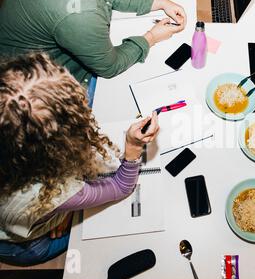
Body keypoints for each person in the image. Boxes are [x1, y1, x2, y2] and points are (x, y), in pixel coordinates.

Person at [0, 53, 159, 266]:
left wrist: (59, 210)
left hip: (16, 218)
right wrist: (133, 147)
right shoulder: (52, 191)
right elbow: (121, 186)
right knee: (88, 236)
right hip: (25, 246)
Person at [0, 0, 186, 88]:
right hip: (33, 84)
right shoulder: (79, 13)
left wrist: (159, 2)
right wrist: (152, 37)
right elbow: (109, 66)